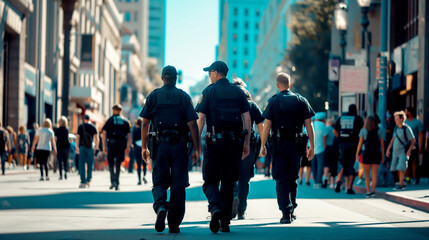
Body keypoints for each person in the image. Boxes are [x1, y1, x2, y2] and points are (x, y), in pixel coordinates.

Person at [140, 65, 200, 234]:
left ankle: (160, 206)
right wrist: (197, 148)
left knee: (159, 180)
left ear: (162, 77)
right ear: (176, 78)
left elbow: (145, 123)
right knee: (178, 185)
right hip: (179, 145)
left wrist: (144, 147)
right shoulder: (183, 97)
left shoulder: (153, 96)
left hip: (159, 145)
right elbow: (193, 124)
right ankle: (174, 224)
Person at [197, 60, 251, 233]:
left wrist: (196, 142)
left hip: (214, 142)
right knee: (228, 182)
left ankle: (215, 208)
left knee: (210, 181)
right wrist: (247, 142)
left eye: (209, 73)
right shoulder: (238, 91)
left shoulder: (209, 91)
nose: (208, 76)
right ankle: (225, 222)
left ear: (215, 73)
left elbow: (201, 118)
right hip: (235, 143)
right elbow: (247, 119)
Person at [259, 72, 315, 224]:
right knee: (293, 177)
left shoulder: (273, 101)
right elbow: (309, 125)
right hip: (297, 146)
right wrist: (312, 146)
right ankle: (292, 209)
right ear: (290, 85)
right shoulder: (301, 100)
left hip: (279, 145)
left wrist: (263, 145)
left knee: (280, 178)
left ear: (277, 85)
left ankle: (286, 212)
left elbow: (267, 126)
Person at [231, 79, 264, 220]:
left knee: (229, 176)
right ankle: (241, 210)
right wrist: (263, 144)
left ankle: (232, 197)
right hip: (248, 145)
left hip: (230, 143)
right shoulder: (252, 105)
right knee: (245, 179)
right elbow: (261, 125)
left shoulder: (229, 104)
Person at [334, 104, 364, 194]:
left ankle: (339, 180)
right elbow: (362, 132)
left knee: (342, 164)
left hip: (343, 145)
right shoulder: (358, 119)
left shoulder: (342, 118)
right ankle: (349, 187)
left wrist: (340, 139)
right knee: (352, 165)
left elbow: (335, 131)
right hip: (354, 145)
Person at [102, 104, 132, 191]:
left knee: (111, 162)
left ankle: (113, 181)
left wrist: (104, 145)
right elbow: (129, 135)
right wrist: (128, 146)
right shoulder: (125, 120)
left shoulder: (110, 120)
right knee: (118, 163)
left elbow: (104, 133)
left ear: (114, 110)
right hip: (121, 143)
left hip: (111, 143)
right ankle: (117, 182)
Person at [355, 116, 385, 197]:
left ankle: (368, 191)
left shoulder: (363, 131)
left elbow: (360, 144)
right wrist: (382, 156)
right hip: (376, 153)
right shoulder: (380, 131)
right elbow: (382, 145)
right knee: (374, 173)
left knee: (367, 174)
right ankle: (373, 190)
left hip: (366, 154)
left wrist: (357, 153)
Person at [386, 111, 415, 190]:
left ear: (402, 119)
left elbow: (413, 141)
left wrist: (409, 150)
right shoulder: (396, 128)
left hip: (403, 151)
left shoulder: (407, 129)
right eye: (395, 118)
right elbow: (393, 139)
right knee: (393, 168)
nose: (395, 120)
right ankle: (401, 181)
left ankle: (401, 183)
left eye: (397, 118)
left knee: (400, 167)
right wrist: (388, 149)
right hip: (395, 152)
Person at [76, 115, 99, 188]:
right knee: (90, 164)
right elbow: (97, 138)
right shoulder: (93, 127)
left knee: (81, 164)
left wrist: (76, 146)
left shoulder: (80, 126)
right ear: (89, 119)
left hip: (82, 147)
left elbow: (77, 137)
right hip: (90, 147)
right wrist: (96, 147)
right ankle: (88, 180)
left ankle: (83, 181)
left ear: (83, 119)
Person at [404, 107, 424, 184]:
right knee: (406, 162)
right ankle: (407, 178)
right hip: (406, 144)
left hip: (414, 144)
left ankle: (414, 178)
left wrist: (421, 146)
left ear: (409, 112)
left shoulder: (417, 122)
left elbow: (421, 135)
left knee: (414, 162)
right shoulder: (404, 122)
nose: (405, 113)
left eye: (406, 111)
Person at [312, 112, 327, 188]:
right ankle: (319, 182)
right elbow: (324, 138)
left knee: (313, 166)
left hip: (311, 148)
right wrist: (325, 147)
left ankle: (315, 182)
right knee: (320, 166)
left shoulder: (311, 124)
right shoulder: (323, 125)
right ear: (322, 119)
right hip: (321, 148)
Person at [132, 118, 147, 185]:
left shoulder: (135, 130)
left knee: (138, 164)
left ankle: (139, 180)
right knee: (144, 163)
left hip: (137, 148)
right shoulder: (145, 130)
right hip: (145, 147)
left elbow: (133, 140)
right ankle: (144, 176)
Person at [324, 119, 339, 189]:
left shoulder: (326, 128)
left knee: (326, 163)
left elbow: (324, 137)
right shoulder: (334, 130)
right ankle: (332, 182)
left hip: (327, 147)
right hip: (334, 148)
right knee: (333, 164)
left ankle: (325, 178)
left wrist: (324, 146)